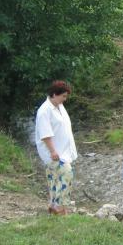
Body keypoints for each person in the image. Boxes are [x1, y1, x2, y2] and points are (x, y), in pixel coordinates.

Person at [35, 80, 77, 215]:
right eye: (63, 96)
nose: (65, 99)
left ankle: (53, 205)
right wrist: (52, 151)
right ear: (54, 94)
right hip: (53, 152)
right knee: (67, 174)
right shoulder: (45, 110)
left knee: (54, 178)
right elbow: (45, 133)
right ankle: (60, 207)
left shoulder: (59, 106)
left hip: (63, 150)